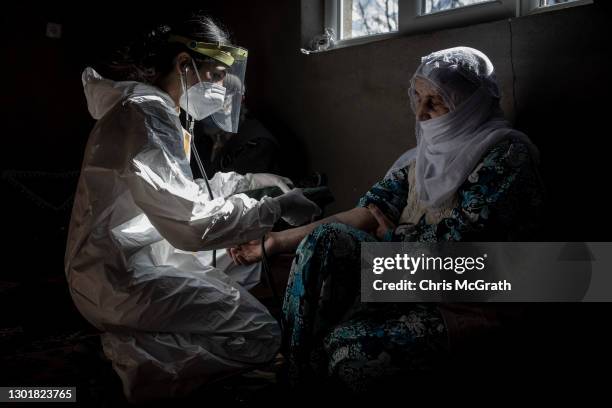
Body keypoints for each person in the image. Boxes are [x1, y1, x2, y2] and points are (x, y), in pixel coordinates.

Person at [229, 47, 543, 390]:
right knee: (326, 239)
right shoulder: (420, 162)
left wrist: (394, 239)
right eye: (418, 98)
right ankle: (294, 374)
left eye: (435, 102)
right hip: (405, 277)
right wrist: (274, 243)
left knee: (345, 352)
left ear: (468, 104)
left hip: (469, 298)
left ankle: (300, 375)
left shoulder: (507, 154)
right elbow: (367, 213)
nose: (421, 114)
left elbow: (459, 250)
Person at [64, 13, 320, 402]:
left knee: (242, 271)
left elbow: (176, 192)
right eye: (216, 75)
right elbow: (191, 224)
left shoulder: (146, 108)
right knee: (261, 336)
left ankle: (148, 340)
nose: (221, 87)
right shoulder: (147, 114)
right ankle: (137, 365)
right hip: (118, 278)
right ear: (185, 65)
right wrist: (272, 209)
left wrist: (247, 183)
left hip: (127, 258)